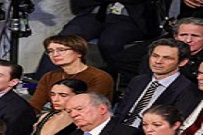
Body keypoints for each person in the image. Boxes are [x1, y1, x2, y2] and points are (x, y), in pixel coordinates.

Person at [34, 1, 167, 78]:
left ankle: (113, 82)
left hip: (130, 18)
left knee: (110, 41)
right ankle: (45, 81)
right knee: (66, 38)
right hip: (94, 14)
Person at [113, 39, 200, 128]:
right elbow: (120, 112)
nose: (158, 61)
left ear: (182, 62)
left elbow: (173, 125)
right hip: (118, 129)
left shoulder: (187, 90)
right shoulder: (138, 81)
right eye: (155, 56)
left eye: (167, 58)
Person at [28, 35, 113, 114]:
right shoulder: (50, 76)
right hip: (56, 119)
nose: (55, 54)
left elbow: (87, 108)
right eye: (50, 51)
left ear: (79, 53)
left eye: (61, 50)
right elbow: (35, 105)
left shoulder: (99, 77)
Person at [21, 79, 89, 135]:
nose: (55, 99)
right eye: (52, 94)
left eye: (63, 95)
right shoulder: (45, 117)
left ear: (79, 96)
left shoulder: (82, 122)